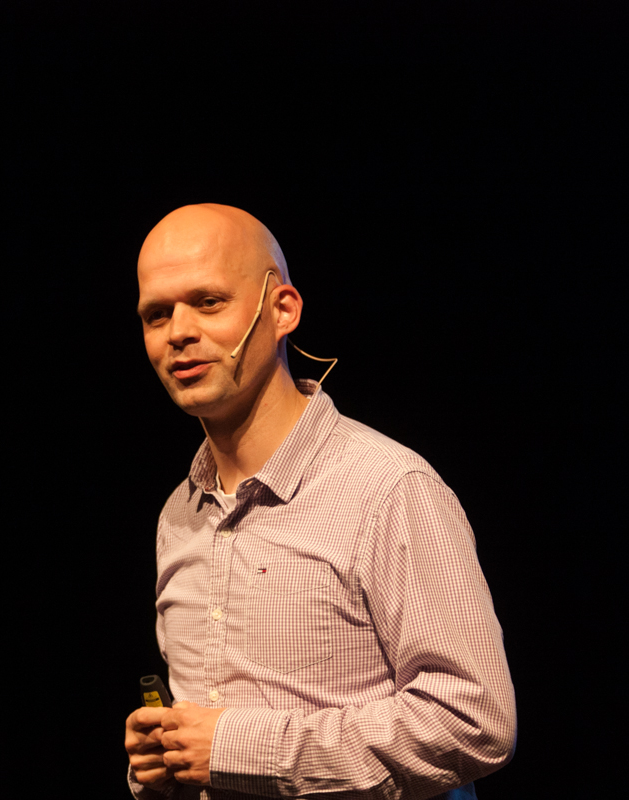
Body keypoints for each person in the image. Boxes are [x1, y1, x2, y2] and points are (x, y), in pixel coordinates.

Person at [125, 204, 516, 800]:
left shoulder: (388, 488)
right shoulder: (180, 514)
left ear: (282, 309)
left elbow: (472, 721)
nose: (178, 331)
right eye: (157, 314)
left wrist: (234, 750)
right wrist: (167, 761)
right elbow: (207, 738)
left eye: (208, 302)